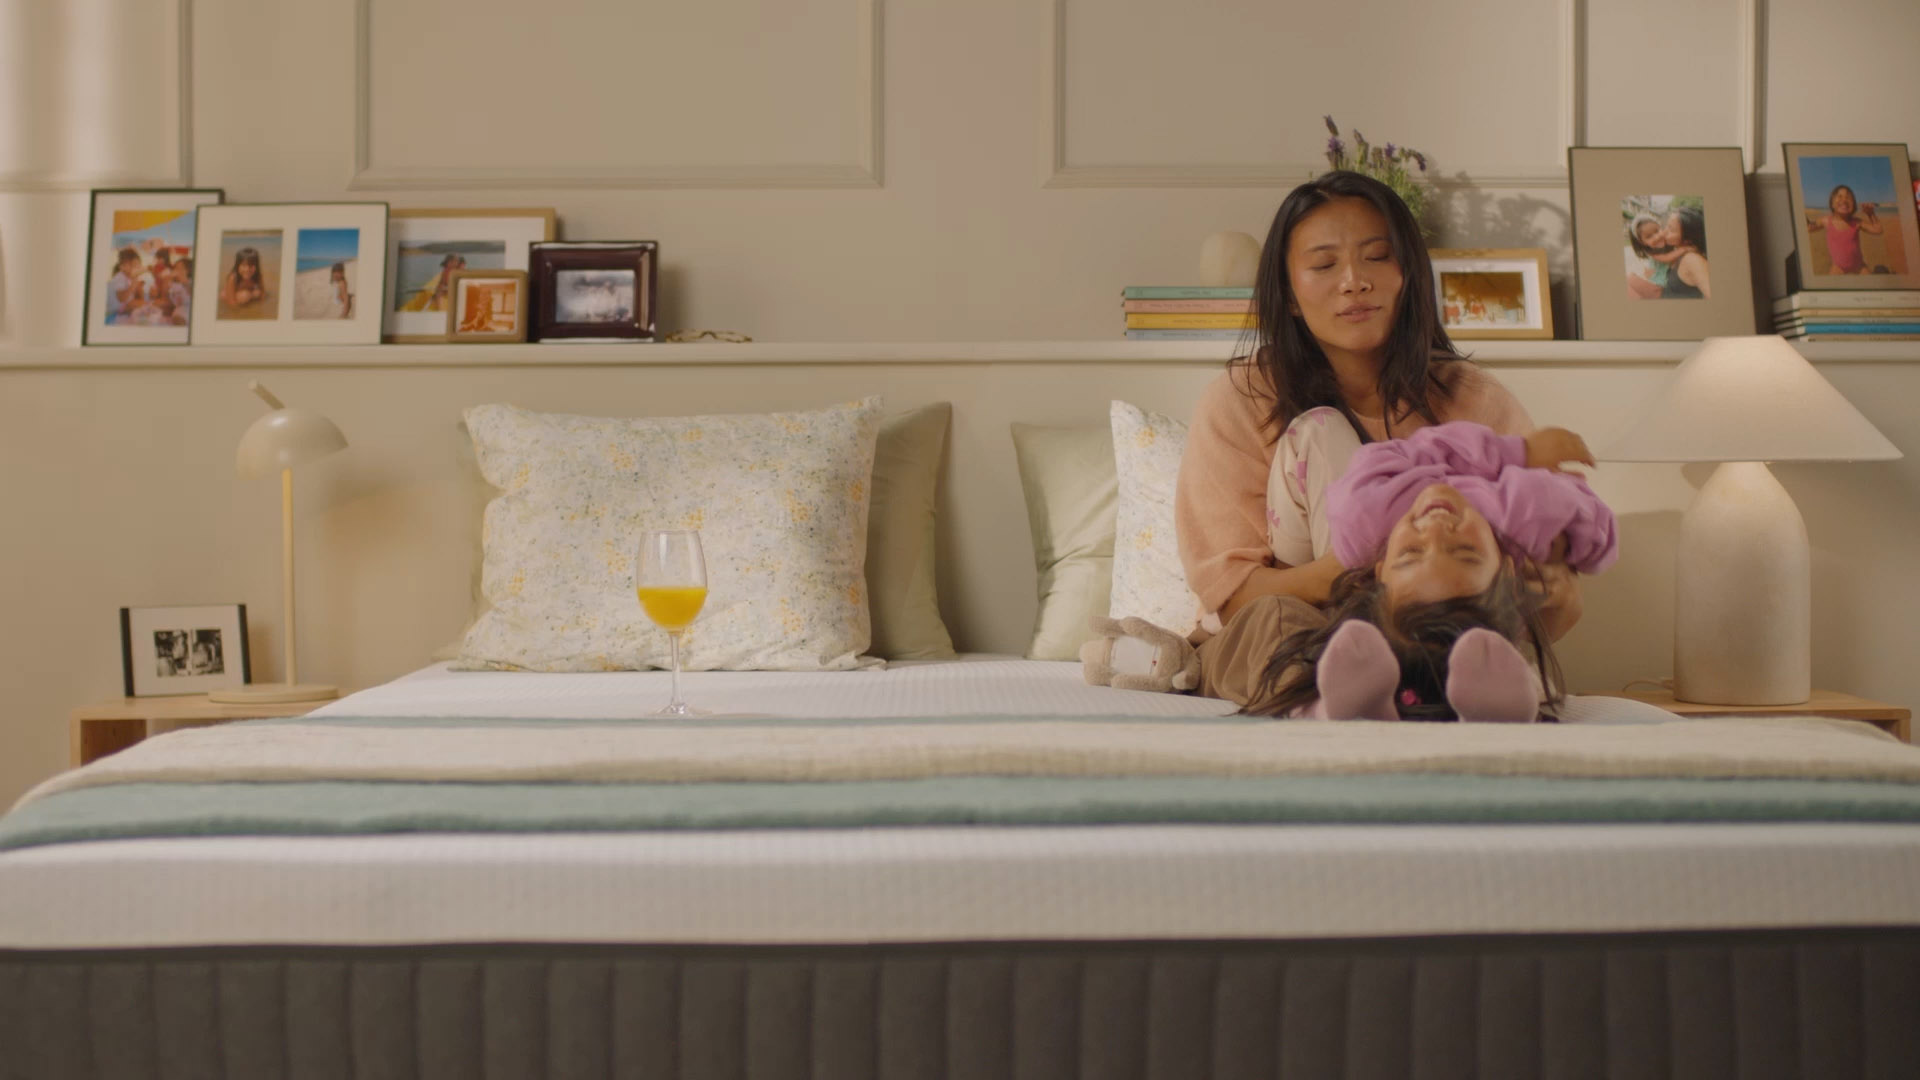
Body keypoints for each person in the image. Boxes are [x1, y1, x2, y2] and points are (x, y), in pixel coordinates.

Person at [1169, 170, 1578, 701]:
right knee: (1278, 625)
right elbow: (1234, 596)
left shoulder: (1474, 401)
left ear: (1407, 274)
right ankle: (1356, 688)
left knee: (1505, 643)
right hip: (1294, 623)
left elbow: (1558, 593)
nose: (1354, 281)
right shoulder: (1240, 399)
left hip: (1440, 625)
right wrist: (1361, 572)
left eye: (1377, 256)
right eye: (1323, 264)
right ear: (1290, 296)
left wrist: (1524, 584)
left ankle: (1445, 683)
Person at [1243, 420, 1617, 721]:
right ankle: (1331, 702)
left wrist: (1569, 556)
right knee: (1288, 641)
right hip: (1351, 637)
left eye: (1410, 552)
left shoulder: (1371, 517)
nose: (1437, 528)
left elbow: (1593, 531)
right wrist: (1518, 453)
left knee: (1475, 651)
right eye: (1464, 551)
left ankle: (1476, 704)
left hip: (1431, 637)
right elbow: (1595, 528)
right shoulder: (1517, 515)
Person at [1811, 184, 1884, 275]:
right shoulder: (1826, 221)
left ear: (1853, 205)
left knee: (1871, 286)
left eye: (1849, 198)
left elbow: (1878, 230)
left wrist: (1870, 214)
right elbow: (1808, 227)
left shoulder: (1857, 222)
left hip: (1859, 266)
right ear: (1832, 203)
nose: (1844, 200)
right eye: (1839, 196)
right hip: (1838, 267)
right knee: (1831, 287)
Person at [1658, 205, 1711, 299]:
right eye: (1667, 226)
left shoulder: (1692, 259)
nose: (1663, 232)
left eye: (1671, 229)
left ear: (1688, 239)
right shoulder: (1677, 250)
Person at [106, 247, 143, 323]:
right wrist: (133, 285)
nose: (136, 268)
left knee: (144, 304)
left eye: (138, 265)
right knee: (143, 305)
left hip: (123, 307)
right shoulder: (119, 278)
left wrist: (138, 286)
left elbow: (138, 296)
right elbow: (122, 298)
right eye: (133, 265)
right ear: (122, 267)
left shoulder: (129, 278)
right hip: (116, 310)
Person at [168, 257, 193, 325]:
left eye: (182, 268)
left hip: (190, 310)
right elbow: (173, 301)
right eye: (176, 268)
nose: (178, 271)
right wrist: (169, 279)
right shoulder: (174, 284)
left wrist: (184, 282)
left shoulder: (191, 282)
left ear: (189, 270)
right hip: (178, 311)